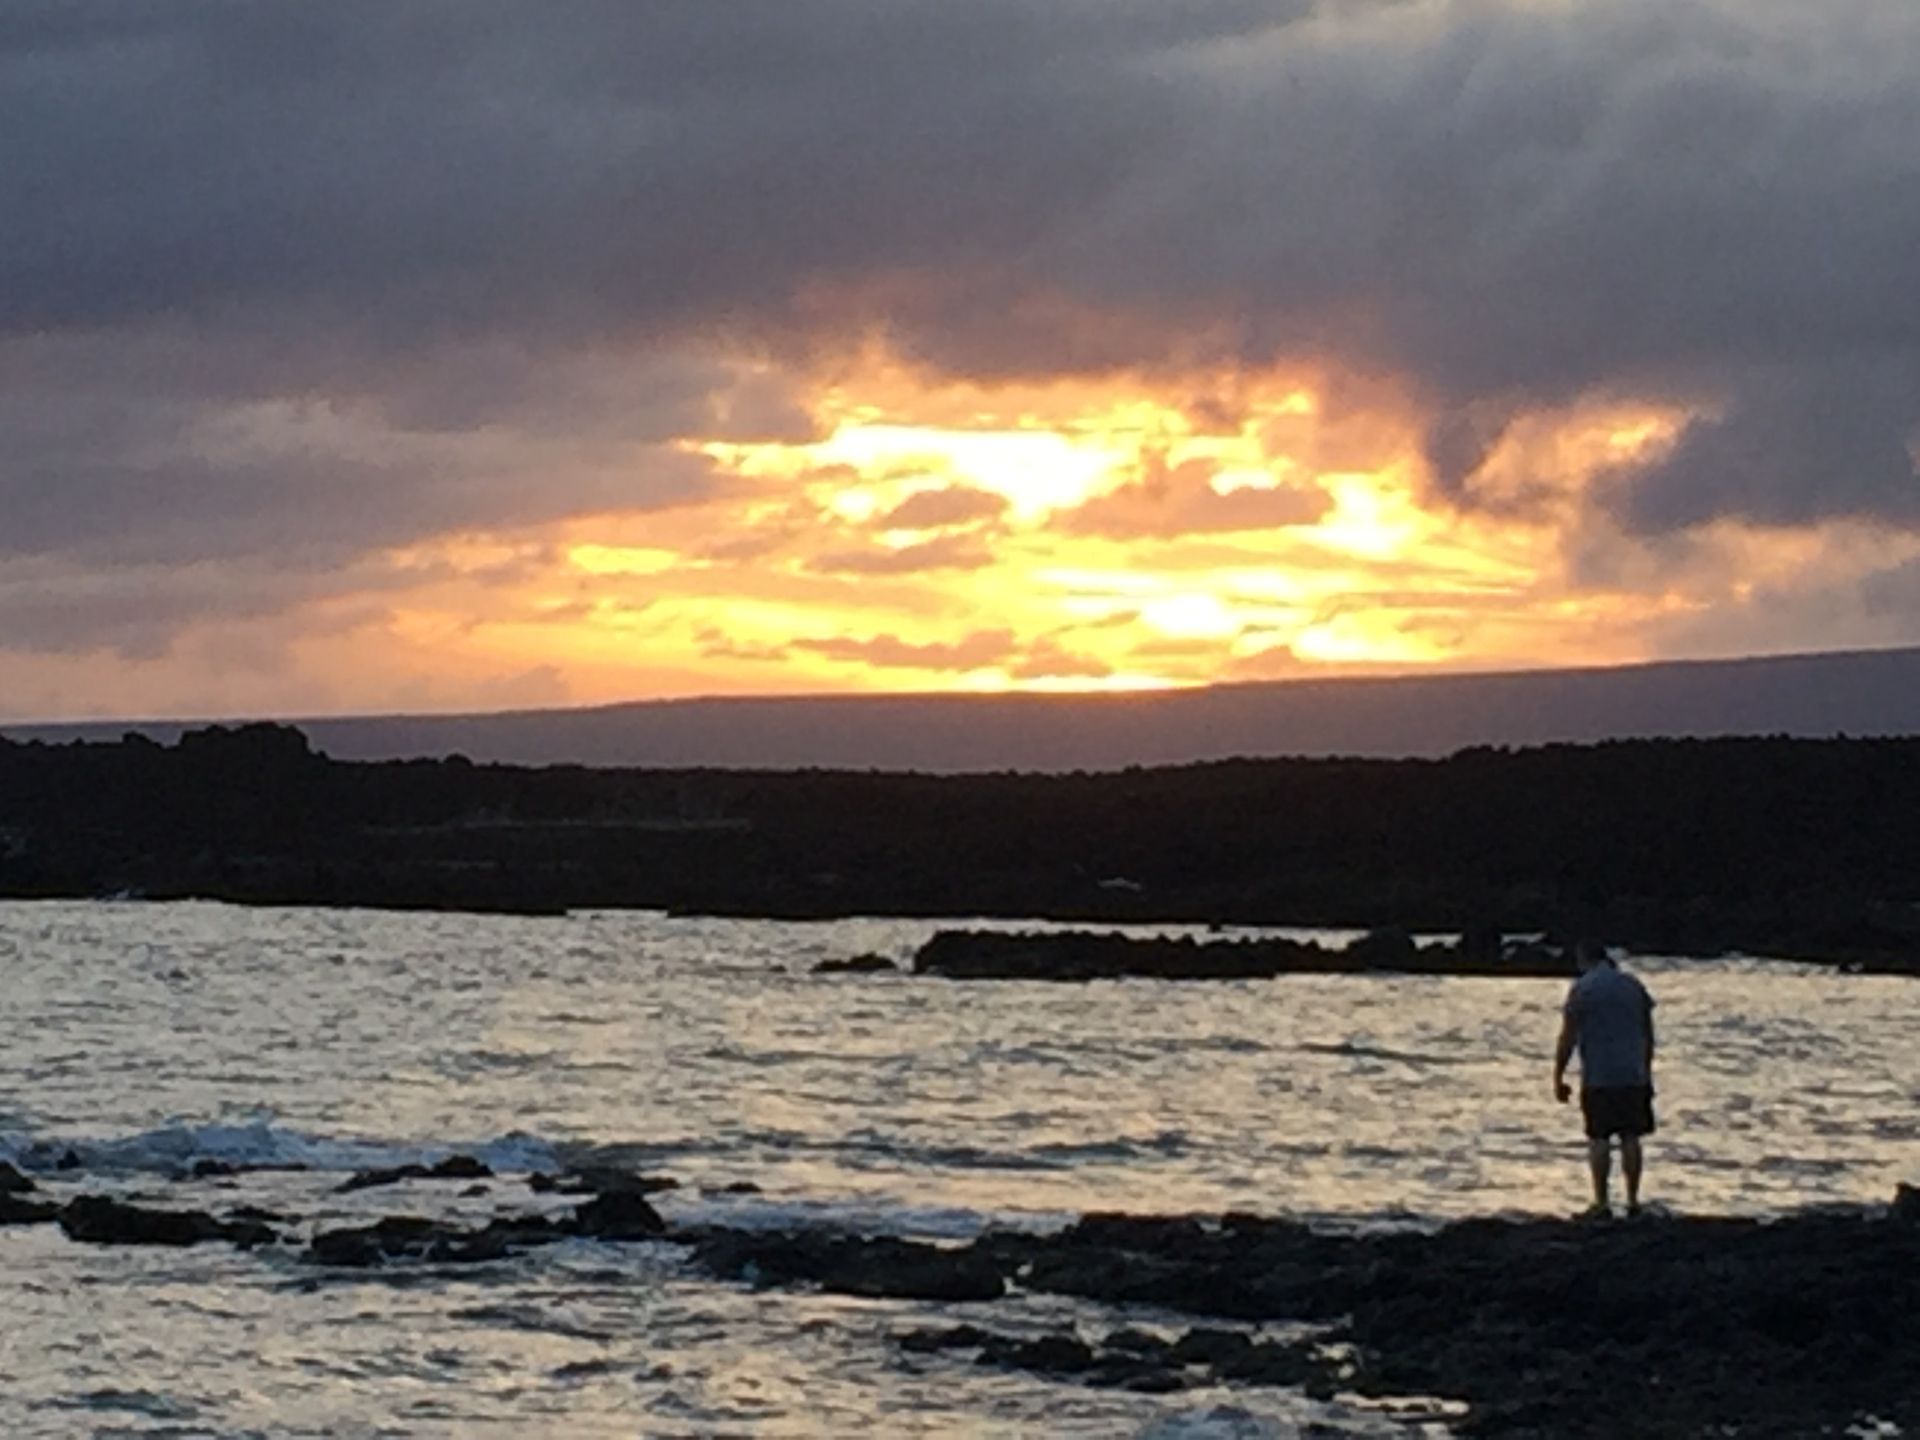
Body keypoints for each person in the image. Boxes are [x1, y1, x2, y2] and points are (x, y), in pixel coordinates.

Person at [1552, 939, 1655, 1216]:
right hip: (1632, 1072)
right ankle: (1633, 1201)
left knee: (1599, 1137)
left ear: (1584, 958)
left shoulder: (1582, 989)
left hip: (1599, 1074)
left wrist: (1558, 1076)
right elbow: (1648, 1034)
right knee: (1631, 1136)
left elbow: (1568, 1037)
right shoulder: (1633, 986)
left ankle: (1602, 1201)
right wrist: (1647, 1071)